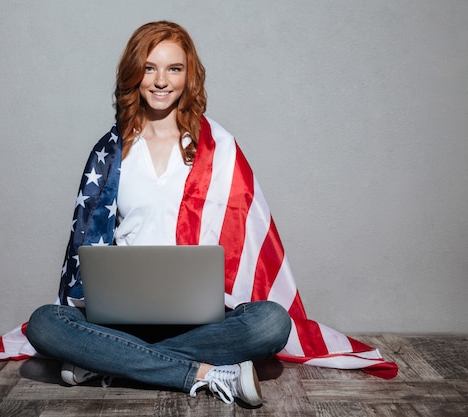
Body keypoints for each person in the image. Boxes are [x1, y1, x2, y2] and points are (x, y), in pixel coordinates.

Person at [26, 21, 292, 407]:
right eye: (150, 67)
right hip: (120, 318)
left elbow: (240, 242)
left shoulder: (217, 148)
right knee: (44, 324)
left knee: (272, 323)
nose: (161, 81)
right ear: (135, 73)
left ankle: (109, 361)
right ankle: (202, 373)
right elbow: (88, 243)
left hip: (197, 320)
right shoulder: (112, 150)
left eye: (174, 69)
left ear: (189, 76)